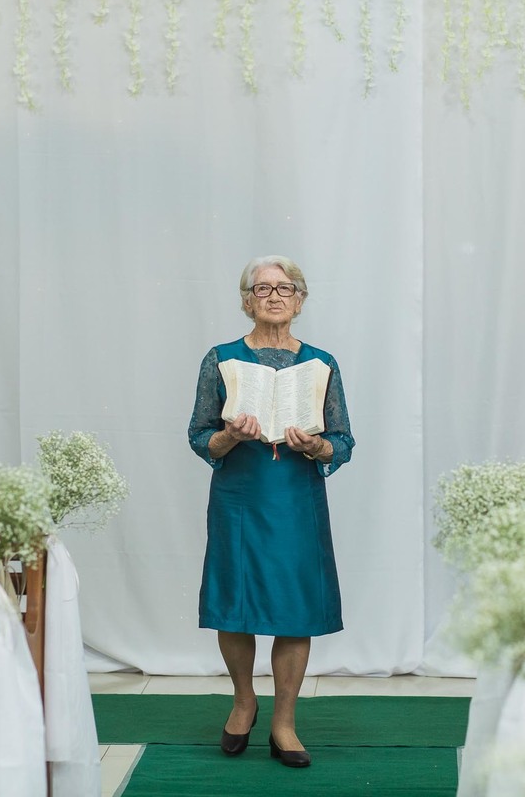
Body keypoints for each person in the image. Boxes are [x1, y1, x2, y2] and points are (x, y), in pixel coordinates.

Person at [188, 255, 355, 768]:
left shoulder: (322, 362)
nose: (275, 296)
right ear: (246, 301)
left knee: (295, 606)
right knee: (233, 601)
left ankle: (284, 722)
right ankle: (243, 701)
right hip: (240, 496)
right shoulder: (221, 358)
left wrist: (315, 448)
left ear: (300, 301)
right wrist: (229, 435)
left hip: (296, 497)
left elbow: (343, 440)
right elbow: (199, 438)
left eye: (285, 288)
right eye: (262, 289)